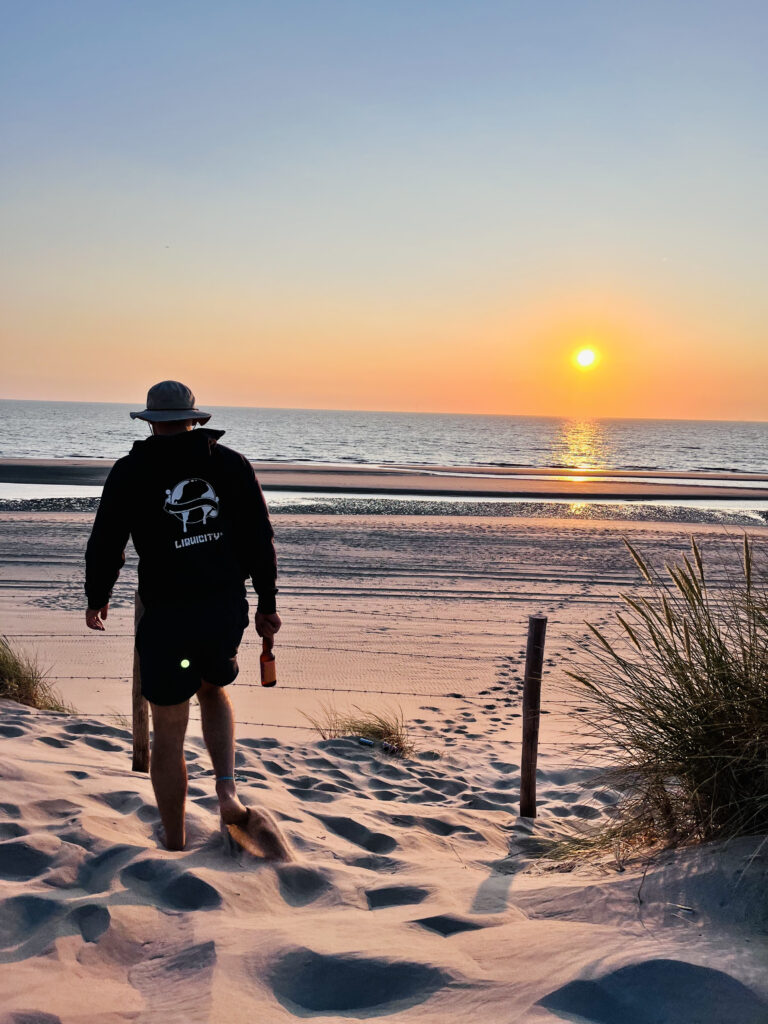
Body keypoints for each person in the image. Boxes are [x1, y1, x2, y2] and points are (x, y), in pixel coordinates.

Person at [84, 380, 281, 851]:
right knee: (214, 691)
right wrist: (267, 604)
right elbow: (260, 539)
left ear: (151, 421)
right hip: (222, 607)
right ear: (195, 419)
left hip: (168, 614)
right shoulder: (230, 464)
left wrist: (98, 597)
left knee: (168, 727)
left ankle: (174, 839)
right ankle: (227, 787)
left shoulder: (130, 470)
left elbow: (107, 541)